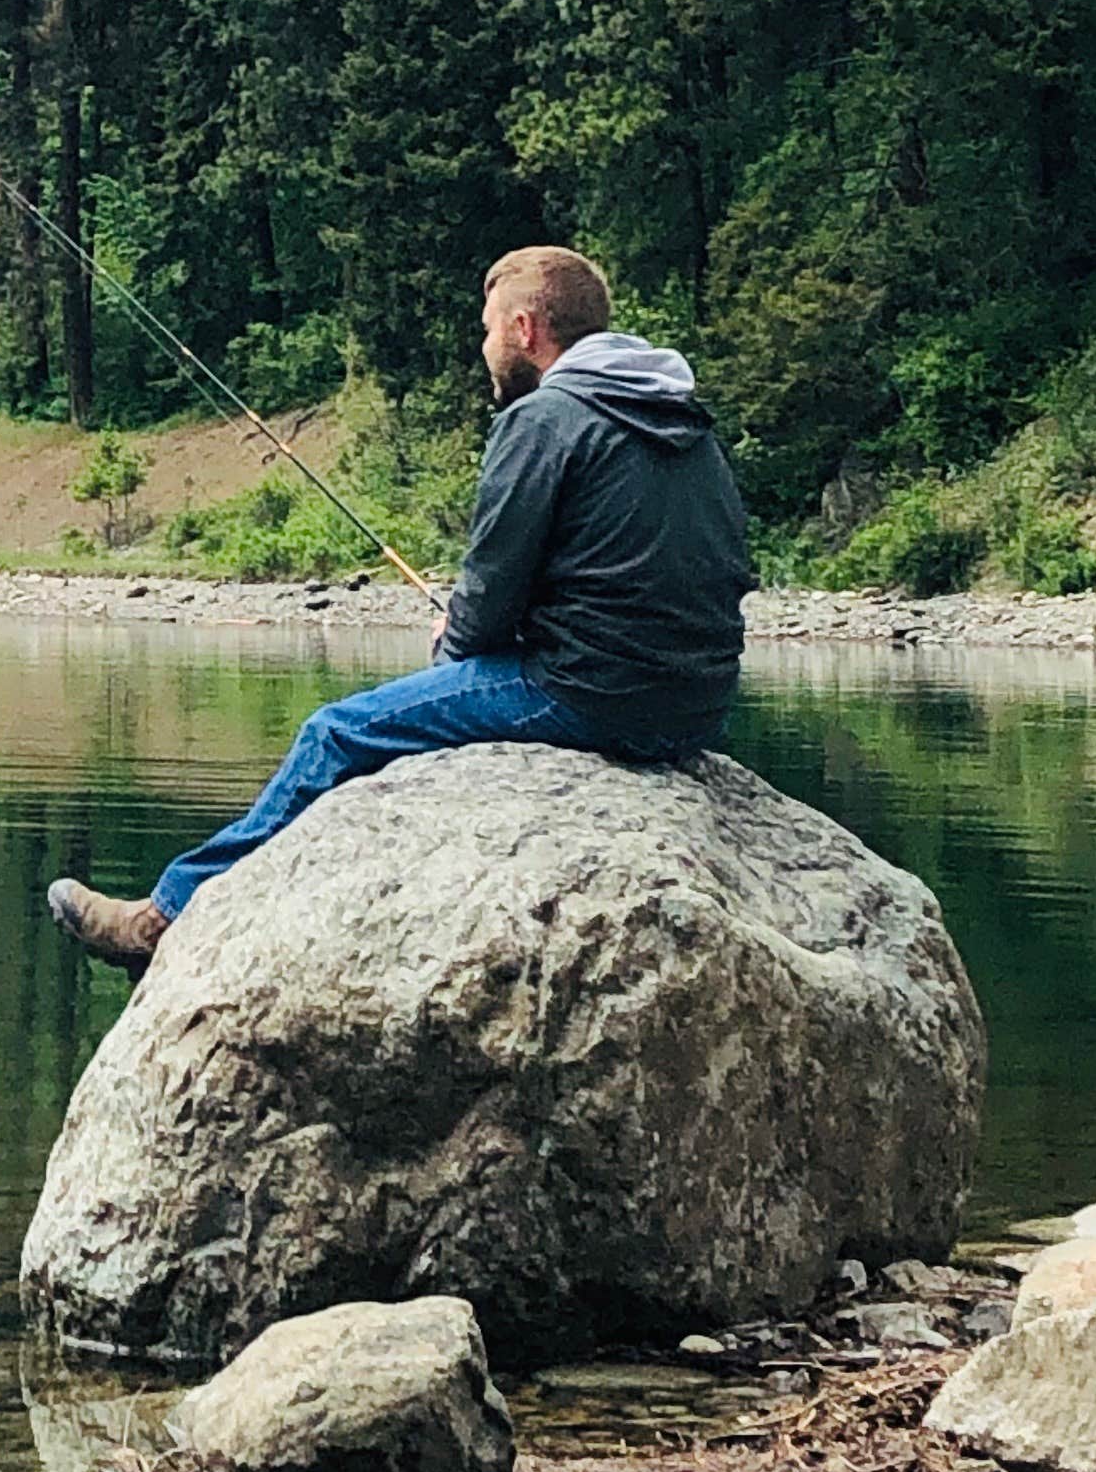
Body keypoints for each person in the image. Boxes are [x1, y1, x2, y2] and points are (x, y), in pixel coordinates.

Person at [45, 243, 750, 972]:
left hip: (594, 697)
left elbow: (489, 592)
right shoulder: (683, 422)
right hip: (696, 707)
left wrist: (449, 656)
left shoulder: (547, 419)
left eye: (486, 329)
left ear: (524, 331)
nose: (483, 347)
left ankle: (162, 918)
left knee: (336, 732)